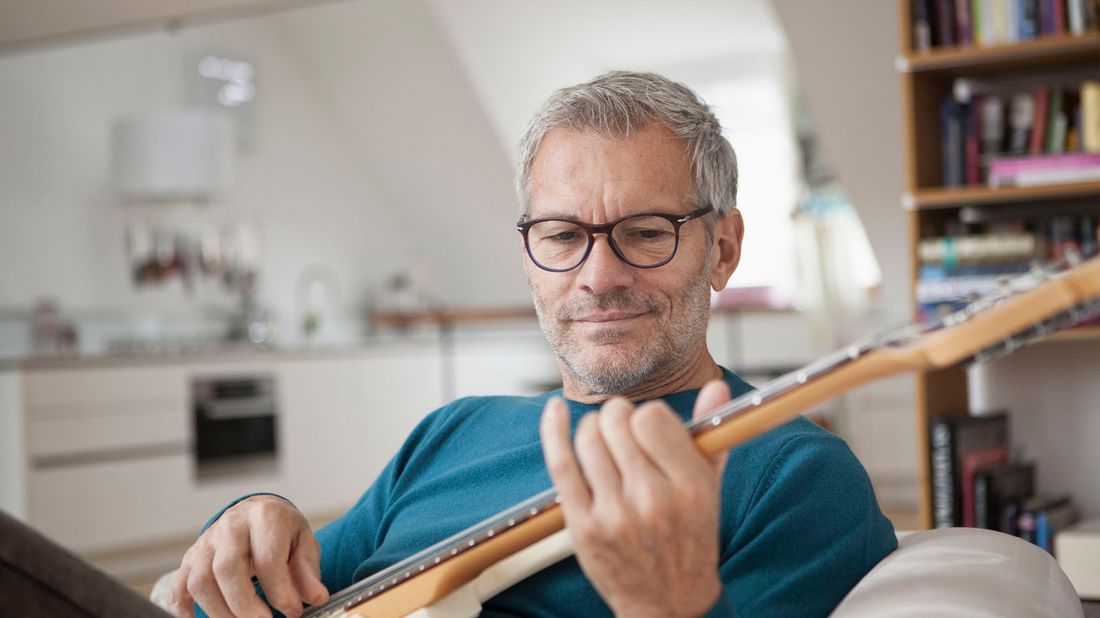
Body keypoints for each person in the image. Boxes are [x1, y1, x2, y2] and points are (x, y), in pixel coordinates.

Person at [169, 71, 897, 618]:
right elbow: (251, 591)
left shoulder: (793, 476)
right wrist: (250, 523)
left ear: (724, 250)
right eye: (561, 236)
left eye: (646, 233)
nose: (598, 277)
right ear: (528, 256)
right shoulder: (452, 434)